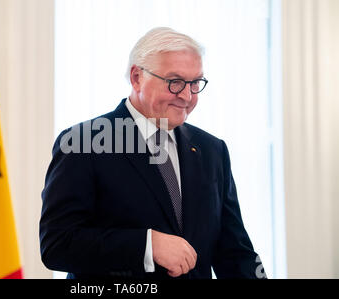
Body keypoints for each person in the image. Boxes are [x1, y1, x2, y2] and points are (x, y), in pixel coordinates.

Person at [39, 27, 266, 279]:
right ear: (137, 77)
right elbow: (57, 244)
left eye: (195, 83)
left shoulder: (212, 150)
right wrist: (147, 246)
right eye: (175, 82)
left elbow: (235, 252)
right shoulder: (82, 143)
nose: (187, 96)